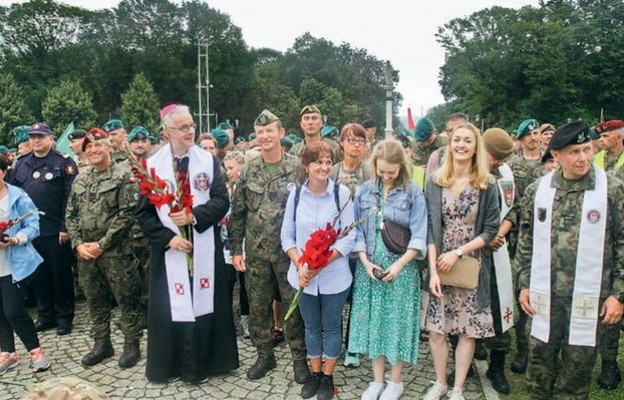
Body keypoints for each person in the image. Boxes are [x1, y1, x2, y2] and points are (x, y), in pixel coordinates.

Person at [516, 121, 624, 399]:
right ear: (556, 156)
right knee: (539, 374)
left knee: (576, 377)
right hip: (545, 297)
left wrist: (618, 294)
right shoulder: (538, 191)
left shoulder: (612, 190)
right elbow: (525, 240)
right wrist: (523, 283)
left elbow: (623, 244)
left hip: (589, 299)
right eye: (574, 152)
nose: (584, 157)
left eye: (587, 149)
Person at [135, 105, 238, 383]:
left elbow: (221, 201)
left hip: (203, 248)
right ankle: (169, 366)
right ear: (168, 132)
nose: (190, 130)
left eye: (191, 125)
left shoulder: (206, 160)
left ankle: (203, 365)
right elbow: (143, 213)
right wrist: (169, 238)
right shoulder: (152, 165)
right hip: (170, 252)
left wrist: (193, 217)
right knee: (171, 307)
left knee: (205, 304)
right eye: (183, 127)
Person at [229, 109, 310, 384]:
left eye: (270, 131)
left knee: (293, 306)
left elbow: (308, 209)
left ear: (281, 133)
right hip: (257, 251)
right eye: (260, 132)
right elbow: (237, 211)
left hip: (289, 254)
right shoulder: (249, 168)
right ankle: (264, 355)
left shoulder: (297, 168)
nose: (265, 136)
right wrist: (236, 250)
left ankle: (300, 358)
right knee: (259, 306)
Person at [422, 122, 500, 400]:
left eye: (468, 140)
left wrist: (458, 252)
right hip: (439, 263)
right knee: (436, 330)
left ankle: (458, 389)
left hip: (470, 265)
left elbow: (491, 230)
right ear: (449, 143)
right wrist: (432, 271)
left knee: (467, 331)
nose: (462, 145)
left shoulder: (487, 183)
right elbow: (430, 228)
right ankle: (441, 382)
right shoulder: (434, 181)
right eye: (457, 140)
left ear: (476, 145)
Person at [349, 139, 428, 400]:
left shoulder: (413, 192)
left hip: (400, 269)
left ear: (401, 168)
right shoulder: (364, 191)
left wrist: (400, 265)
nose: (385, 177)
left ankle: (395, 381)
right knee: (374, 323)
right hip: (370, 266)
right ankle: (377, 379)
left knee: (396, 323)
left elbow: (419, 235)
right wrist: (364, 261)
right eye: (381, 171)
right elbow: (357, 231)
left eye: (391, 173)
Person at [281, 141, 356, 400]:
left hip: (335, 276)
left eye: (328, 162)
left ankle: (327, 376)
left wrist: (322, 262)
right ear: (306, 166)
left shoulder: (341, 194)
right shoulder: (297, 194)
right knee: (311, 328)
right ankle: (314, 375)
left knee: (332, 327)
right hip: (302, 276)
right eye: (318, 162)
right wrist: (301, 264)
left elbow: (348, 237)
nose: (324, 167)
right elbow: (287, 235)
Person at [65, 128, 143, 369]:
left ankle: (131, 344)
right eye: (89, 147)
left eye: (99, 145)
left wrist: (102, 245)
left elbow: (126, 215)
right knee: (95, 301)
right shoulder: (81, 178)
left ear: (109, 147)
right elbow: (71, 215)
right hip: (87, 255)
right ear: (85, 151)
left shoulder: (123, 176)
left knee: (127, 298)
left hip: (116, 252)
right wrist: (78, 245)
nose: (94, 150)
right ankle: (102, 343)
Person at [8, 122, 78, 336]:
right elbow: (14, 195)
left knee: (60, 274)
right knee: (38, 275)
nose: (36, 140)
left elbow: (70, 197)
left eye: (40, 136)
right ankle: (45, 314)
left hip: (55, 229)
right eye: (32, 137)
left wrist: (65, 227)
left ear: (50, 138)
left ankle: (64, 316)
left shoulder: (63, 162)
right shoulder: (21, 164)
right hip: (31, 231)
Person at [0, 155, 50, 375]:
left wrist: (15, 239)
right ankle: (7, 352)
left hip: (14, 262)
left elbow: (33, 224)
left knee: (13, 310)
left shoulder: (17, 196)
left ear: (3, 171)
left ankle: (36, 351)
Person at [330, 123, 371, 368]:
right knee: (336, 296)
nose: (356, 145)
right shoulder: (333, 172)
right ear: (342, 143)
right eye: (351, 140)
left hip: (362, 246)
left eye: (361, 141)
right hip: (336, 246)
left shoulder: (371, 172)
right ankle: (333, 343)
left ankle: (353, 346)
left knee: (358, 298)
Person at [222, 150, 250, 339]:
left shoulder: (247, 187)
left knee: (245, 283)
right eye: (226, 168)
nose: (229, 172)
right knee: (227, 282)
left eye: (231, 168)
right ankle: (226, 321)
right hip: (225, 243)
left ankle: (245, 318)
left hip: (244, 242)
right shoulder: (223, 188)